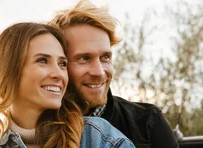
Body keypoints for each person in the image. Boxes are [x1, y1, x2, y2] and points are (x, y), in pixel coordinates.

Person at [0, 22, 134, 148]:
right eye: (42, 61)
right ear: (9, 71)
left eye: (62, 64)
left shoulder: (98, 138)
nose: (58, 74)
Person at [48, 1, 179, 148]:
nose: (99, 72)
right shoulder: (37, 126)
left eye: (105, 57)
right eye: (84, 58)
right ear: (60, 64)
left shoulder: (147, 124)